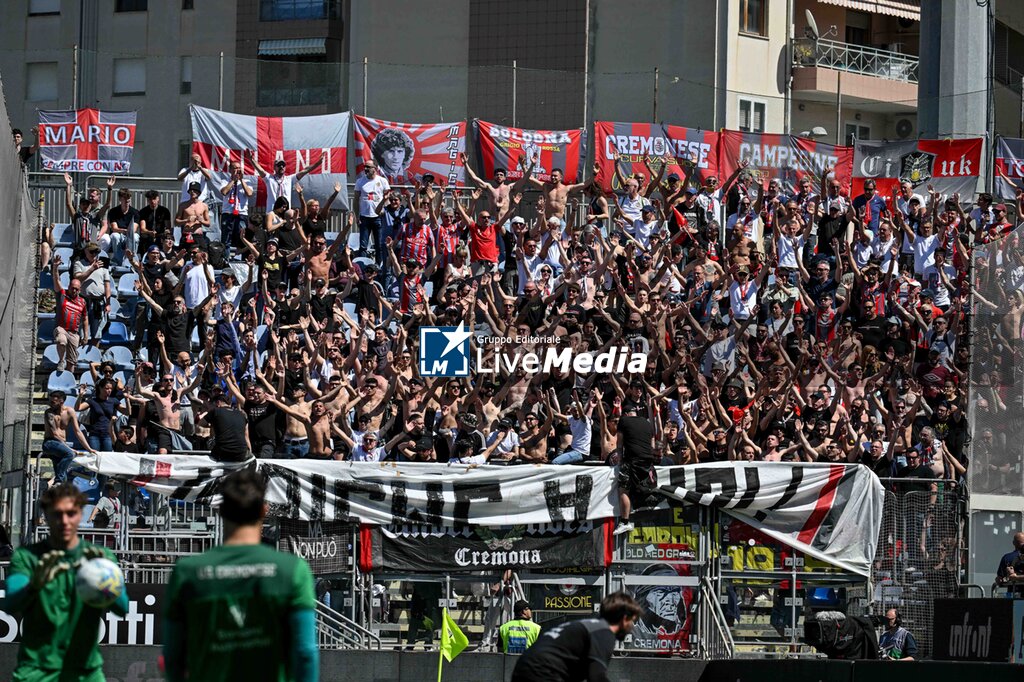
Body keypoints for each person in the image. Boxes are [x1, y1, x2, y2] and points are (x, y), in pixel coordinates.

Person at [163, 469, 318, 682]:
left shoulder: (186, 572)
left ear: (221, 511)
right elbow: (305, 653)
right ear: (264, 510)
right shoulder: (292, 570)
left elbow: (172, 657)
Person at [3, 483, 128, 681]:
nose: (64, 521)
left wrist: (106, 579)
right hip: (37, 670)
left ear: (80, 513)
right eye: (57, 514)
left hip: (85, 671)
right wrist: (34, 584)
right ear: (46, 515)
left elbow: (122, 608)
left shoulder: (100, 557)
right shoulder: (27, 557)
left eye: (70, 513)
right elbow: (10, 605)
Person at [511, 592, 641, 682]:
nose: (632, 627)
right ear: (624, 619)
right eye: (632, 621)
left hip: (524, 669)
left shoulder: (588, 625)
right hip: (543, 673)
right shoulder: (604, 632)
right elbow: (596, 676)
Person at [614, 403, 655, 535]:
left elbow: (619, 443)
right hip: (648, 461)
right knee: (643, 489)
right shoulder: (647, 423)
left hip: (632, 460)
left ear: (625, 414)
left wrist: (619, 459)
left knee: (623, 489)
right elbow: (652, 444)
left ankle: (624, 522)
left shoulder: (624, 420)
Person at [996, 531, 1024, 597]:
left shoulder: (1006, 558)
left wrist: (1014, 577)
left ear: (1013, 543)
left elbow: (999, 578)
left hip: (1012, 596)